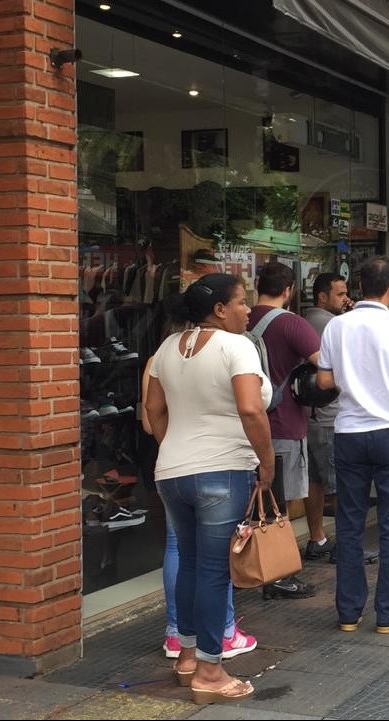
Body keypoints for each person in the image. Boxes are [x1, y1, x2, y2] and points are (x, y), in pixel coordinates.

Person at [145, 273, 274, 704]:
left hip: (172, 471)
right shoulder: (236, 347)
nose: (247, 310)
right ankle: (210, 671)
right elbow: (250, 408)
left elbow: (153, 409)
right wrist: (267, 461)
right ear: (219, 309)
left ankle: (185, 656)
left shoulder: (166, 349)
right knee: (216, 570)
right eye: (241, 303)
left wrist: (175, 448)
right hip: (223, 469)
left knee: (191, 564)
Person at [316, 256, 389, 634]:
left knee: (349, 524)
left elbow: (325, 381)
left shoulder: (335, 328)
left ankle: (348, 612)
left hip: (349, 432)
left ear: (359, 285)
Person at [249, 262, 321, 599]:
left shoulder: (239, 318)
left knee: (258, 500)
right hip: (283, 421)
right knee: (278, 503)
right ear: (289, 290)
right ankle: (276, 574)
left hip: (247, 422)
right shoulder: (292, 324)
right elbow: (325, 363)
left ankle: (254, 566)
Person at [302, 273, 352, 564]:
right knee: (338, 484)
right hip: (328, 414)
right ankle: (345, 546)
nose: (345, 299)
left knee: (316, 482)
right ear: (322, 297)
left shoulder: (307, 319)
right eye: (340, 294)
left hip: (311, 415)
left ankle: (317, 537)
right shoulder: (330, 323)